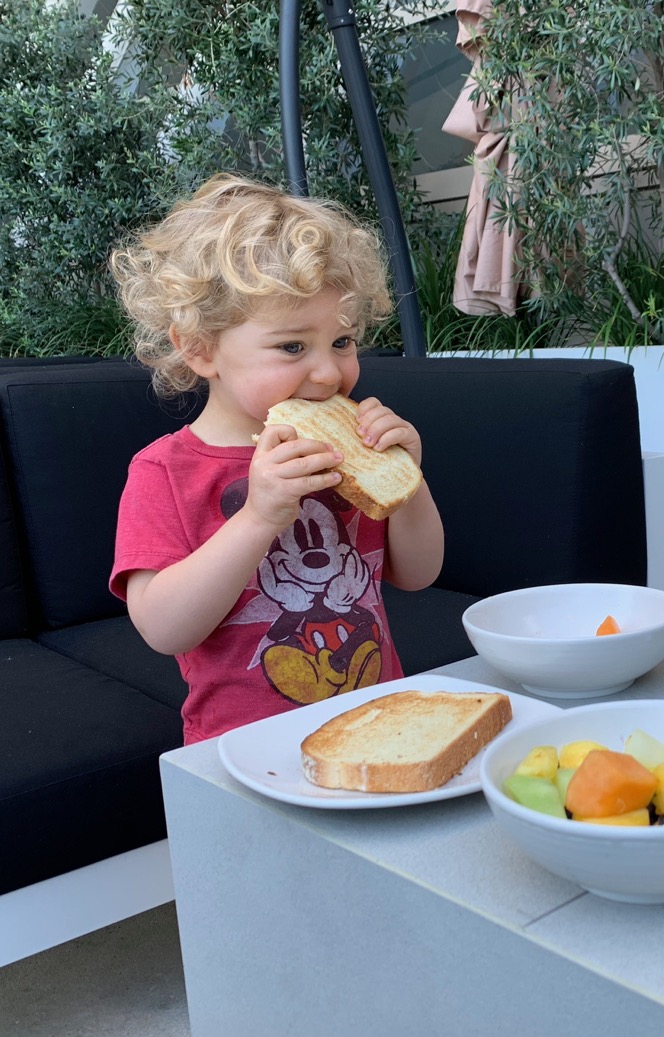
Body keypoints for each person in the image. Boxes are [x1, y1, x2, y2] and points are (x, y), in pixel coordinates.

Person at [108, 173, 444, 745]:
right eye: (292, 347)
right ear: (200, 348)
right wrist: (258, 517)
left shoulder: (353, 447)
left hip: (372, 723)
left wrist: (407, 480)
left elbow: (419, 574)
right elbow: (165, 628)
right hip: (241, 748)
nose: (329, 373)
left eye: (342, 342)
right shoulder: (165, 471)